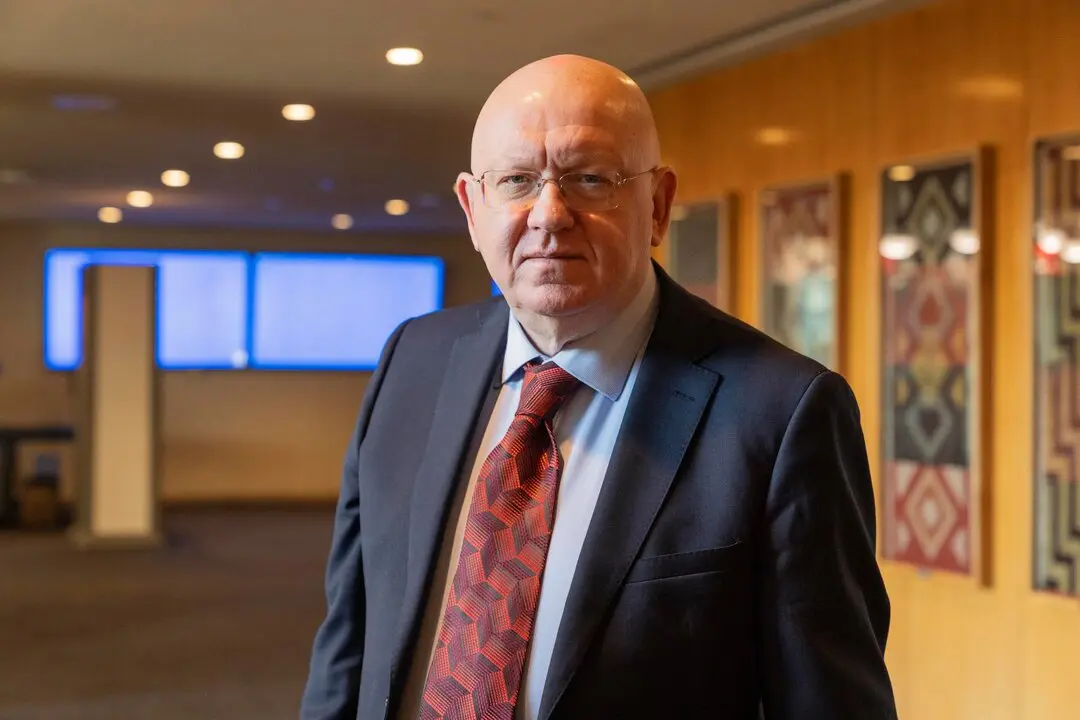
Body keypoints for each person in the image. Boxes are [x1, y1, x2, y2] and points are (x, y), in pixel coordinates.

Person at [300, 54, 896, 720]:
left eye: (590, 179)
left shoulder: (781, 413)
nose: (549, 215)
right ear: (473, 208)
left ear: (659, 204)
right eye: (518, 180)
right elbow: (347, 650)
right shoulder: (412, 361)